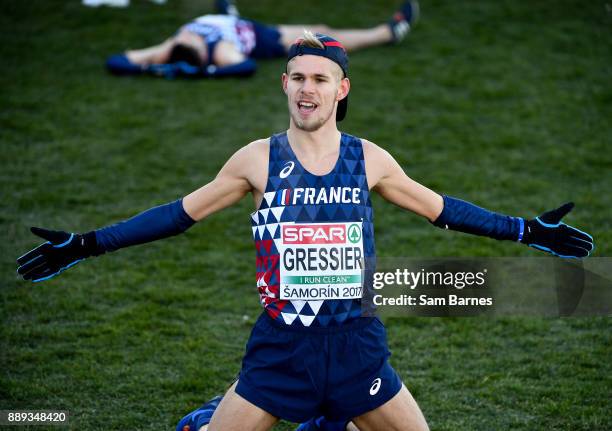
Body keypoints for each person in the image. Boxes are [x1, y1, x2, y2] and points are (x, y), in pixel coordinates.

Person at [18, 31, 594, 431]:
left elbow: (442, 209)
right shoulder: (256, 160)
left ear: (341, 89)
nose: (305, 88)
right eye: (295, 77)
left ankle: (329, 418)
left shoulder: (369, 159)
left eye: (319, 78)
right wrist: (87, 244)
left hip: (357, 347)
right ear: (284, 85)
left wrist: (526, 232)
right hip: (281, 348)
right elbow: (177, 215)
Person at [105, 0, 419, 78]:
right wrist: (208, 71)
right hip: (260, 36)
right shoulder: (221, 51)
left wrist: (152, 69)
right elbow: (245, 68)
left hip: (237, 22)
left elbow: (116, 60)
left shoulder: (169, 49)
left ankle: (228, 11)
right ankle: (388, 33)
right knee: (323, 35)